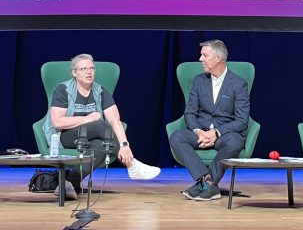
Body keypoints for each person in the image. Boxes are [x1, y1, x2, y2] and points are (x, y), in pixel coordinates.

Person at [43, 54, 161, 199]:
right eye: (84, 68)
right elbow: (58, 122)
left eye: (92, 68)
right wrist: (87, 119)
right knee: (98, 124)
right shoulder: (64, 90)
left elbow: (115, 121)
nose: (89, 72)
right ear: (74, 72)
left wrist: (124, 146)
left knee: (101, 144)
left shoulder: (101, 91)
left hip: (89, 136)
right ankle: (132, 165)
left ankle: (68, 183)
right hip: (64, 135)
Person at [169, 40, 250, 201]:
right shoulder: (199, 81)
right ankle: (207, 181)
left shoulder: (239, 84)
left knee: (235, 141)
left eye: (205, 55)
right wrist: (198, 132)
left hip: (224, 135)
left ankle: (206, 184)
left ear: (218, 58)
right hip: (201, 133)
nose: (200, 59)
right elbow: (190, 113)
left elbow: (242, 120)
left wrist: (216, 133)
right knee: (177, 137)